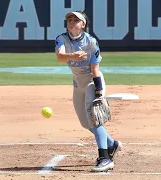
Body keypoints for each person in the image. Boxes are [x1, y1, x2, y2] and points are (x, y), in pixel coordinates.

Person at [54, 11, 122, 172]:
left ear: (83, 24)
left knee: (94, 120)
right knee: (85, 123)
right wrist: (74, 56)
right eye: (69, 20)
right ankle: (112, 144)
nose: (71, 22)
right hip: (78, 83)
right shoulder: (61, 38)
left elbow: (95, 69)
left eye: (76, 20)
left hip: (92, 81)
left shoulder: (91, 42)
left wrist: (99, 91)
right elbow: (60, 56)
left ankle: (105, 158)